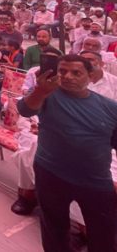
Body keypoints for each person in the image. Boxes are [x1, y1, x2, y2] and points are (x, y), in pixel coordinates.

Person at [18, 55, 117, 251]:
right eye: (63, 71)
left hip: (95, 182)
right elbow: (25, 109)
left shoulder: (110, 108)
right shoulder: (47, 94)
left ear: (90, 76)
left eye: (76, 72)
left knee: (103, 236)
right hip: (50, 174)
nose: (68, 76)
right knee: (54, 230)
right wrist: (41, 90)